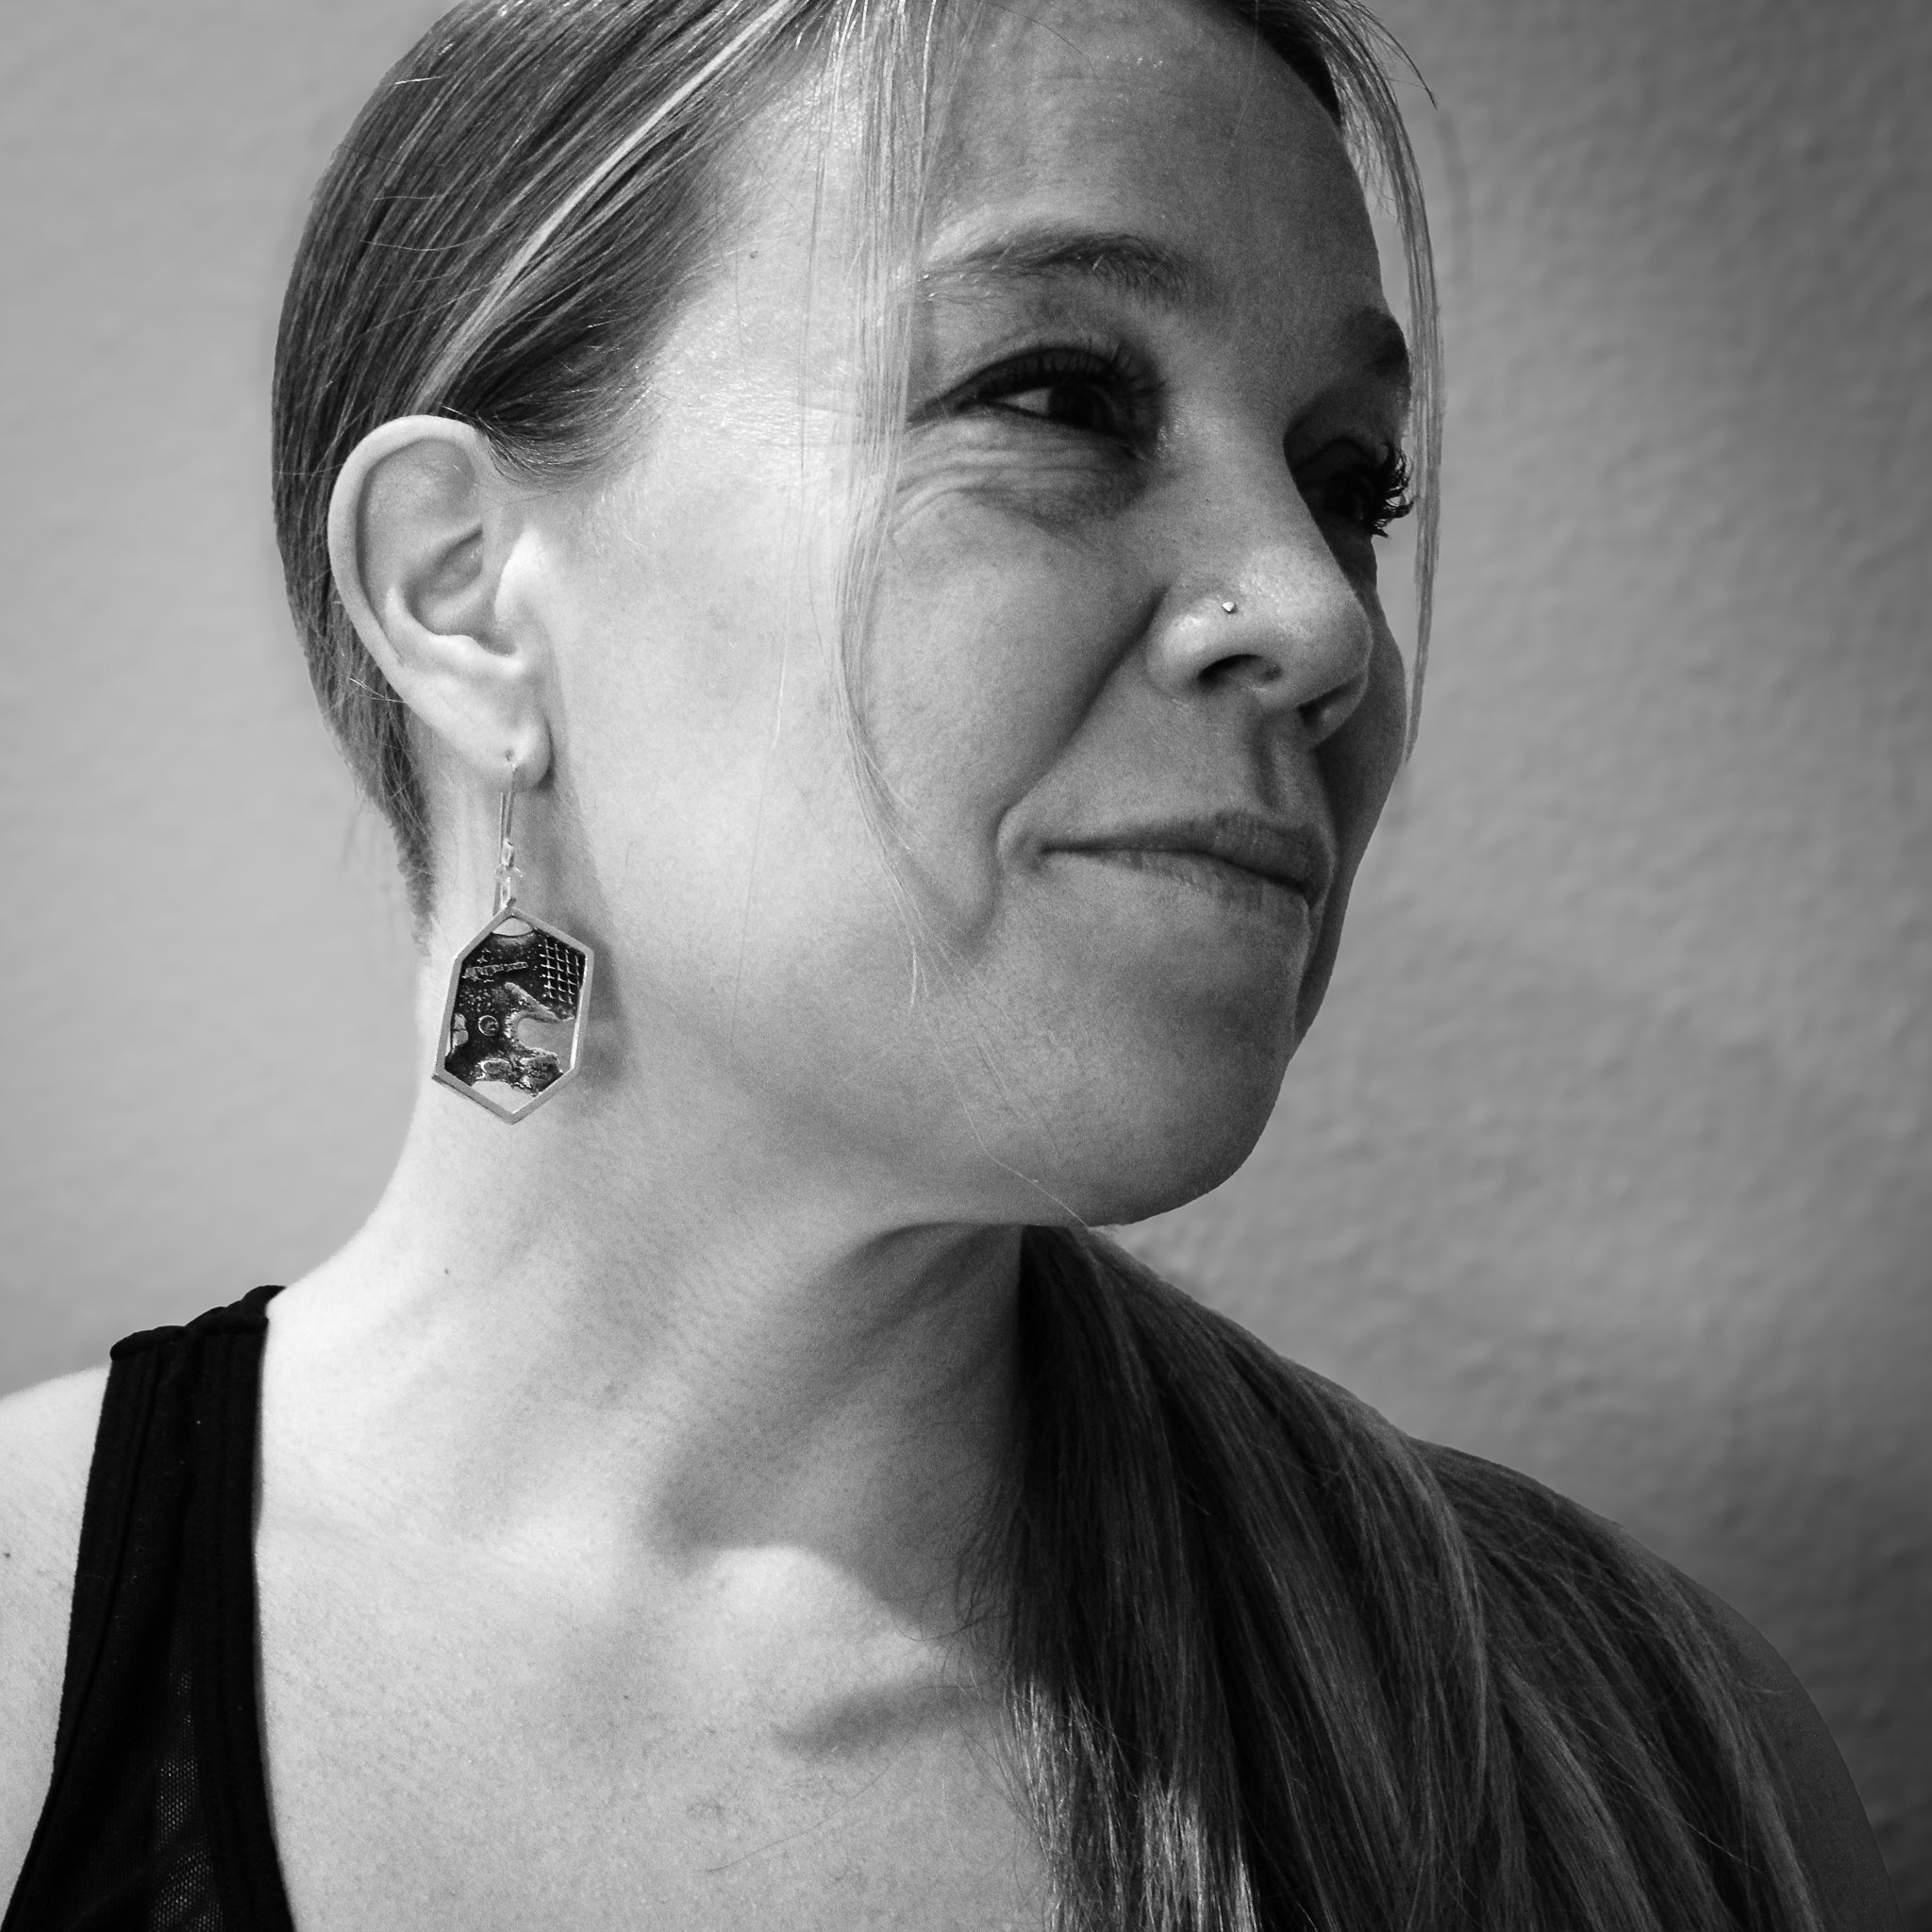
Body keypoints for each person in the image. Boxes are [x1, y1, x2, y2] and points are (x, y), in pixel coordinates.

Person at [0, 0, 1903, 1924]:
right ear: (464, 590)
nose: (1321, 617)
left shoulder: (1629, 1762)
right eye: (1062, 394)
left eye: (1352, 476)